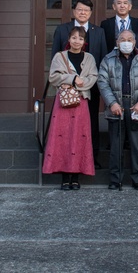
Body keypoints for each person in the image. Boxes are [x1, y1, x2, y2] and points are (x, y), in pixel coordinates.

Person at [97, 30, 138, 190]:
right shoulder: (108, 59)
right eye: (122, 39)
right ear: (117, 42)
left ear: (135, 42)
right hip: (116, 106)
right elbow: (102, 82)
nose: (126, 42)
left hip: (137, 106)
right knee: (116, 146)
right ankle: (115, 179)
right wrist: (112, 103)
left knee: (137, 145)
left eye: (130, 39)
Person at [51, 0, 107, 163]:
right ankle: (67, 159)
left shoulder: (99, 31)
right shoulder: (62, 30)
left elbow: (102, 58)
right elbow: (56, 55)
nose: (83, 13)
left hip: (91, 87)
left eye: (86, 10)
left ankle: (92, 157)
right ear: (74, 11)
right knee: (67, 125)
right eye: (80, 9)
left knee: (91, 121)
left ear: (91, 13)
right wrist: (70, 80)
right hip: (67, 88)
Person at [42, 26, 98, 190]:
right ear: (69, 39)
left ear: (84, 42)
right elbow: (53, 76)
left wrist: (78, 85)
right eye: (74, 38)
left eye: (80, 38)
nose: (77, 41)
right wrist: (73, 78)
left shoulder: (89, 58)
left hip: (81, 101)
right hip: (64, 104)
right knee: (63, 137)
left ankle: (76, 177)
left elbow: (93, 77)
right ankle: (65, 177)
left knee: (79, 137)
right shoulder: (60, 57)